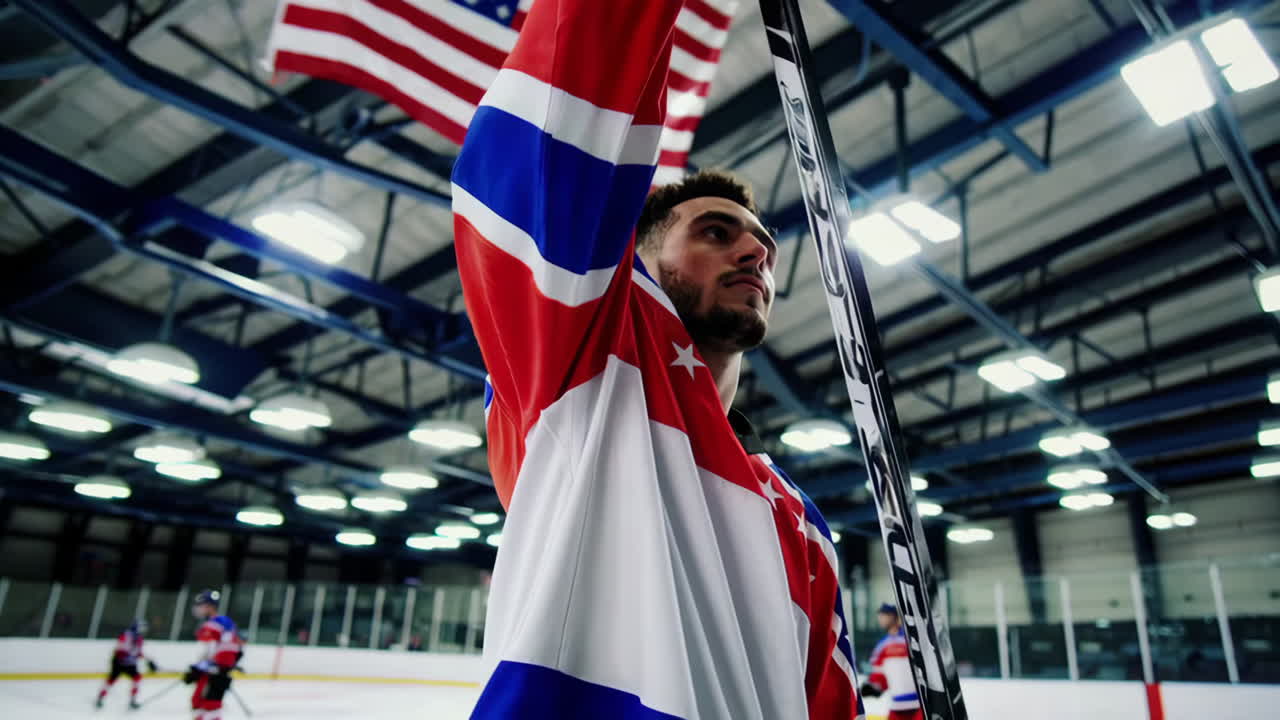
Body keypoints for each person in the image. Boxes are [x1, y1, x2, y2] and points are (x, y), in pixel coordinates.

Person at [451, 1, 861, 717]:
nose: (755, 252)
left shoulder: (802, 523)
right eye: (714, 231)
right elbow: (561, 107)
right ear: (631, 266)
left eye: (763, 245)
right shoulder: (579, 363)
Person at [183, 589, 243, 720]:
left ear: (210, 606)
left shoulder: (212, 624)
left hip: (214, 668)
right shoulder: (226, 621)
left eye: (201, 605)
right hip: (221, 667)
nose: (198, 608)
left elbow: (212, 649)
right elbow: (237, 646)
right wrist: (231, 663)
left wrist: (201, 667)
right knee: (209, 704)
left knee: (203, 703)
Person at [861, 603, 922, 720]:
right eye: (880, 616)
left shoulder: (910, 640)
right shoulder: (882, 645)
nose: (881, 620)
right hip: (897, 706)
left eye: (884, 616)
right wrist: (873, 687)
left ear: (893, 616)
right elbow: (880, 675)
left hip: (919, 705)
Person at [94, 618, 155, 710]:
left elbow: (138, 652)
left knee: (137, 678)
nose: (143, 631)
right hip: (119, 663)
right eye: (142, 628)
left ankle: (132, 701)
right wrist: (126, 656)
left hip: (130, 664)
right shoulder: (126, 635)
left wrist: (149, 661)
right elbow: (120, 650)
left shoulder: (139, 639)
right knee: (111, 680)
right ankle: (100, 698)